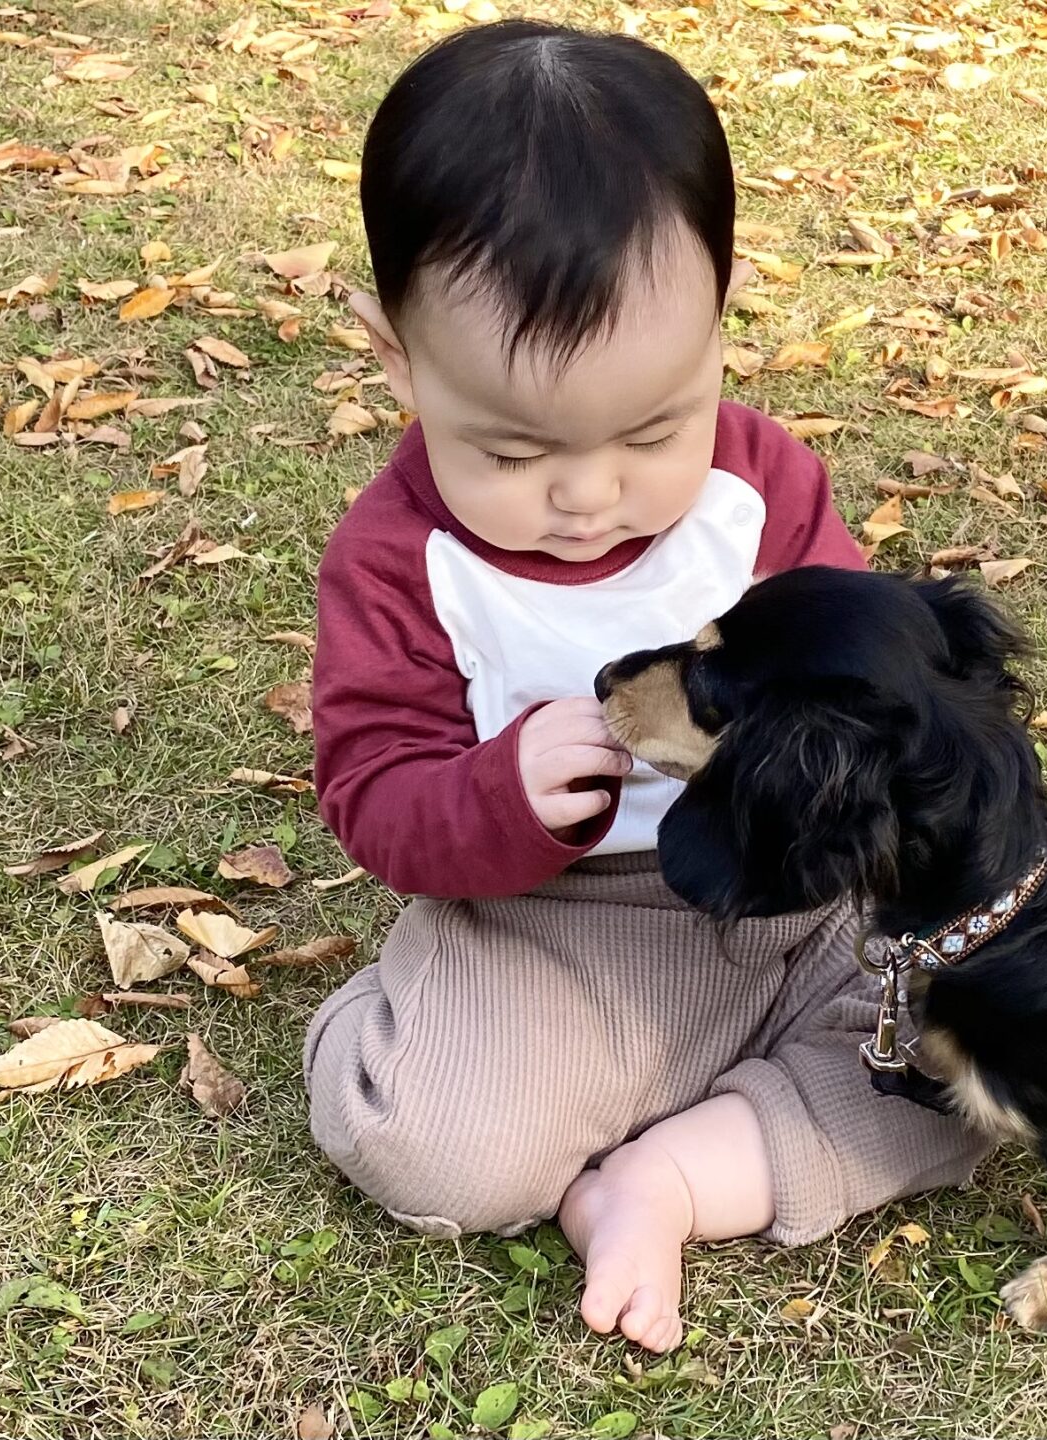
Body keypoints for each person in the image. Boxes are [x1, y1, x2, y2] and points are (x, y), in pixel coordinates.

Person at [301, 19, 988, 1353]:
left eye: (653, 428)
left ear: (722, 323)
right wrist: (499, 797)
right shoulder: (403, 561)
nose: (587, 493)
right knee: (436, 1153)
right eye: (511, 447)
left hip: (796, 912)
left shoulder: (763, 490)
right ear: (396, 358)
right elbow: (372, 792)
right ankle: (391, 1026)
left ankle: (671, 1176)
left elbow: (856, 681)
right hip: (564, 927)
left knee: (978, 1073)